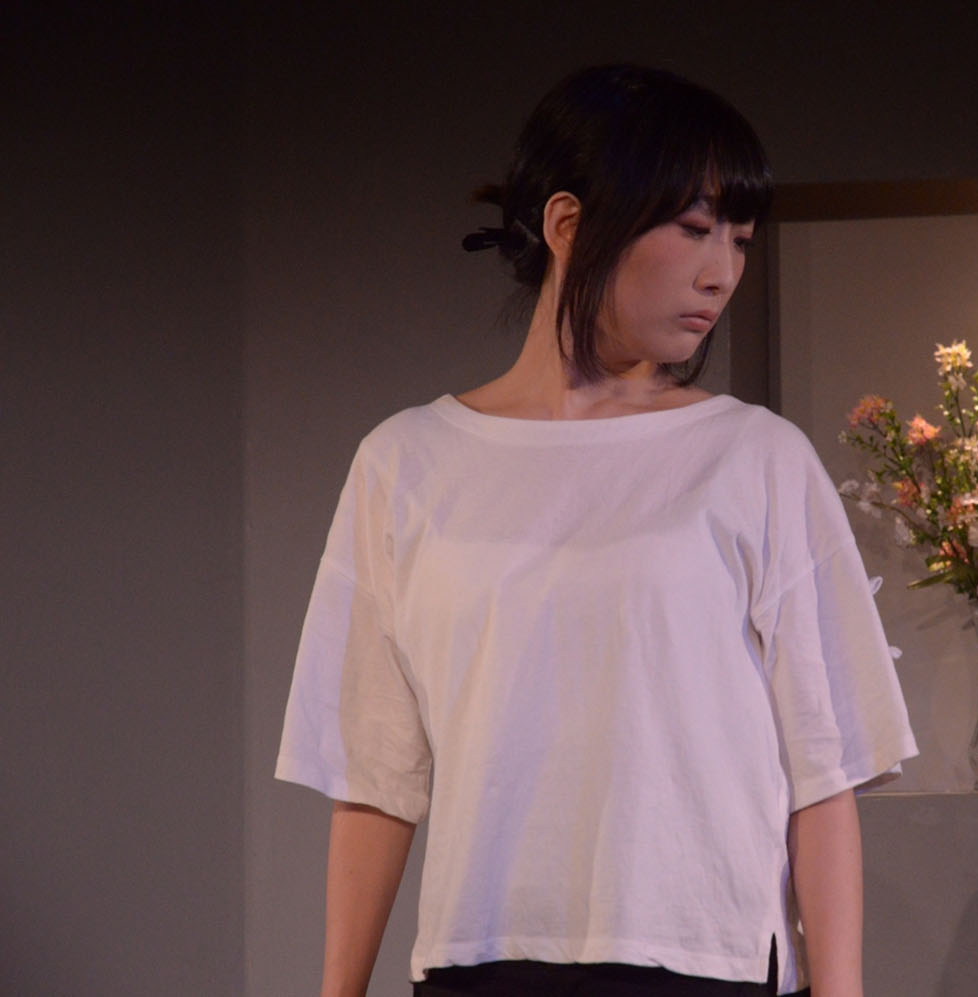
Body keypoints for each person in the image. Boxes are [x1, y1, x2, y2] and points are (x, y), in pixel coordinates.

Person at [275, 64, 917, 997]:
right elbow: (377, 773)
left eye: (740, 239)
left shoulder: (755, 459)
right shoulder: (405, 463)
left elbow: (823, 770)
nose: (722, 272)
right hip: (480, 959)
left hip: (703, 961)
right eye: (693, 229)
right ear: (569, 224)